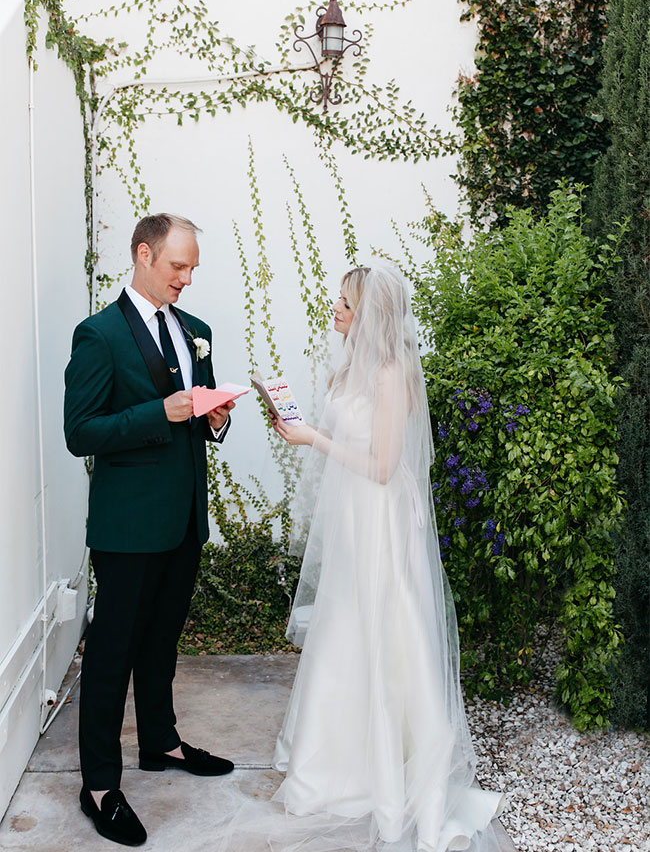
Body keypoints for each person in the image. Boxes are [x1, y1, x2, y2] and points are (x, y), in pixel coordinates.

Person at [265, 265, 504, 852]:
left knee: (386, 632)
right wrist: (298, 421)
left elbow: (381, 467)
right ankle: (339, 762)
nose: (336, 313)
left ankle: (394, 769)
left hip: (380, 528)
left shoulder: (395, 375)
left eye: (344, 305)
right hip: (351, 528)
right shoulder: (350, 367)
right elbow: (343, 437)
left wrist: (312, 440)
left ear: (369, 313)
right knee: (344, 631)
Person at [64, 213, 236, 847]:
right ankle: (100, 786)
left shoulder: (197, 332)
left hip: (184, 518)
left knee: (162, 644)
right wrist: (155, 413)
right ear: (143, 255)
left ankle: (160, 743)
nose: (186, 280)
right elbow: (79, 430)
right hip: (128, 528)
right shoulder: (99, 335)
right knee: (111, 656)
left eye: (192, 269)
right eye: (176, 267)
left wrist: (214, 422)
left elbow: (197, 417)